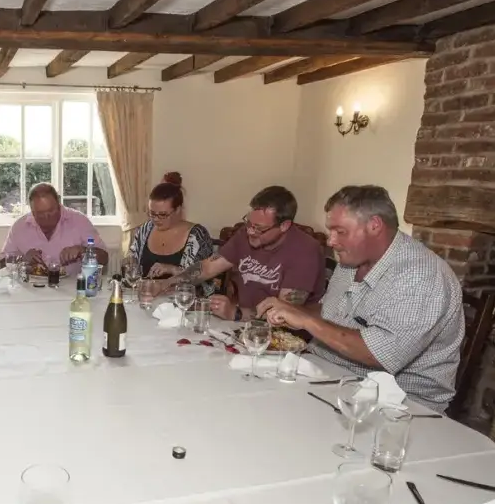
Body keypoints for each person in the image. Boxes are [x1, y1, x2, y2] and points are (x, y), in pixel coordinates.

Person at [259, 186, 464, 412]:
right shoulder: (352, 260)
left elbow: (380, 354)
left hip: (400, 406)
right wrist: (292, 312)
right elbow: (329, 313)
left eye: (340, 232)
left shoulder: (421, 276)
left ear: (374, 225)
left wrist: (307, 321)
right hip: (330, 376)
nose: (331, 241)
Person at [163, 186, 325, 320]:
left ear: (284, 226)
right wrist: (166, 283)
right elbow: (208, 268)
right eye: (249, 223)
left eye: (259, 228)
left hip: (286, 338)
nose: (250, 231)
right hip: (246, 325)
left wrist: (236, 313)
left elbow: (284, 314)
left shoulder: (305, 250)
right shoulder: (246, 234)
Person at [128, 173, 214, 294]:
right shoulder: (145, 230)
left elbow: (204, 280)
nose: (156, 219)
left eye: (163, 214)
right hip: (147, 298)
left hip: (182, 301)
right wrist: (130, 265)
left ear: (178, 210)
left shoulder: (197, 236)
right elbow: (132, 263)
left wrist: (172, 269)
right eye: (152, 213)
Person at [1, 182, 109, 274]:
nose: (47, 218)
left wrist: (82, 250)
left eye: (51, 211)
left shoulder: (79, 221)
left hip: (72, 287)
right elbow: (2, 264)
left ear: (59, 203)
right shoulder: (19, 227)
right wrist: (23, 260)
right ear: (32, 210)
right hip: (31, 288)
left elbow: (104, 258)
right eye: (40, 214)